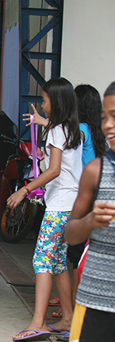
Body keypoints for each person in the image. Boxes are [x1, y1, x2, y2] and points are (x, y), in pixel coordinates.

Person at [9, 77, 82, 341]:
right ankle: (68, 318)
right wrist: (43, 122)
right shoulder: (73, 130)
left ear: (57, 102)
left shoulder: (56, 131)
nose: (42, 104)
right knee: (59, 262)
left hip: (59, 207)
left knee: (41, 260)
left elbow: (54, 170)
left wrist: (24, 190)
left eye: (44, 100)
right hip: (71, 206)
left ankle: (38, 322)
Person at [62, 81, 115, 342]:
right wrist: (91, 221)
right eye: (105, 117)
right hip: (95, 302)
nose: (107, 125)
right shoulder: (96, 171)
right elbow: (71, 235)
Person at [50, 84, 108, 322]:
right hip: (91, 196)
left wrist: (47, 124)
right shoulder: (96, 131)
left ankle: (72, 306)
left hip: (78, 196)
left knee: (73, 255)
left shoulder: (80, 129)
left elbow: (66, 146)